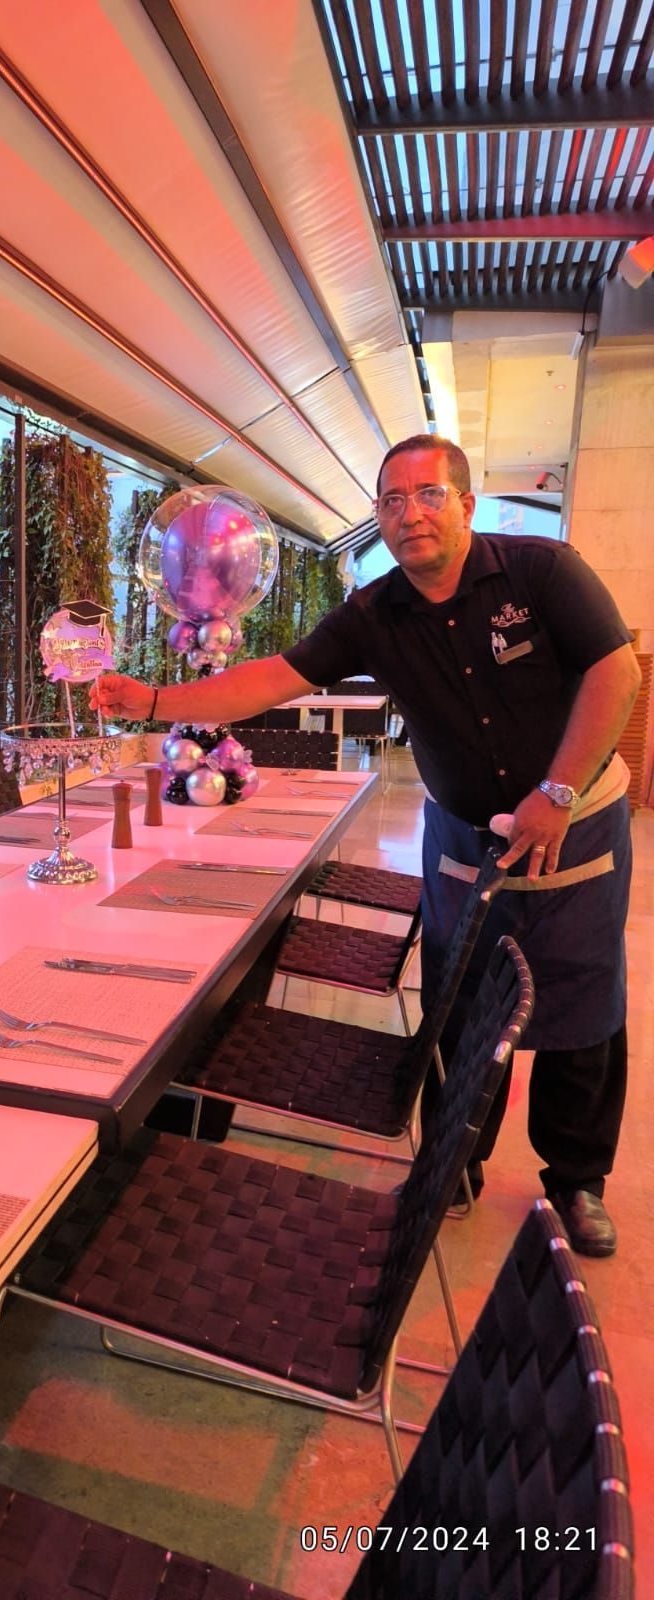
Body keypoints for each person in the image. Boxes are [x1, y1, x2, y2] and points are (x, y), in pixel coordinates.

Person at [92, 435, 640, 1256]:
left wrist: (555, 793)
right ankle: (457, 1158)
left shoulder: (542, 572)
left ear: (465, 502)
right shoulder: (373, 614)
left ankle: (576, 1180)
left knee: (582, 1005)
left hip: (575, 822)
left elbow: (615, 671)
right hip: (463, 838)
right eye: (390, 500)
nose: (408, 513)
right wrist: (156, 701)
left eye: (427, 494)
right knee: (456, 1001)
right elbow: (274, 676)